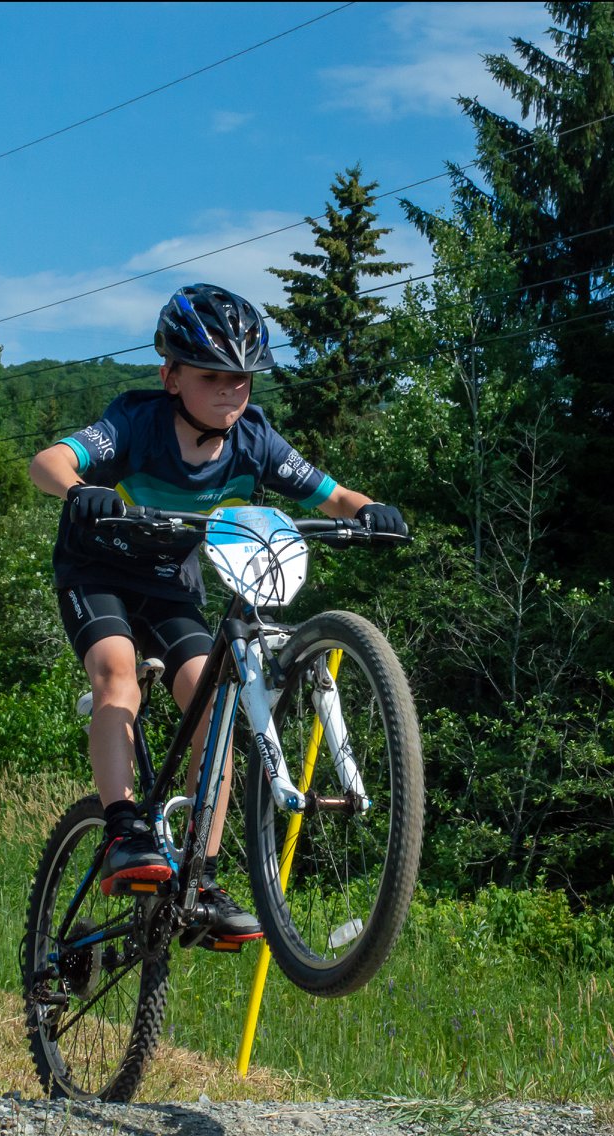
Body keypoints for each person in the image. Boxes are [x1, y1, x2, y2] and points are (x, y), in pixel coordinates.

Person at [27, 283, 407, 950]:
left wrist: (370, 511)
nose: (230, 391)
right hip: (97, 574)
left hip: (171, 588)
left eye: (241, 379)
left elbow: (334, 495)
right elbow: (48, 461)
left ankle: (198, 879)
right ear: (170, 376)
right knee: (118, 675)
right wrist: (80, 490)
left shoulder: (255, 440)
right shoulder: (135, 421)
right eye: (211, 377)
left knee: (216, 711)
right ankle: (123, 829)